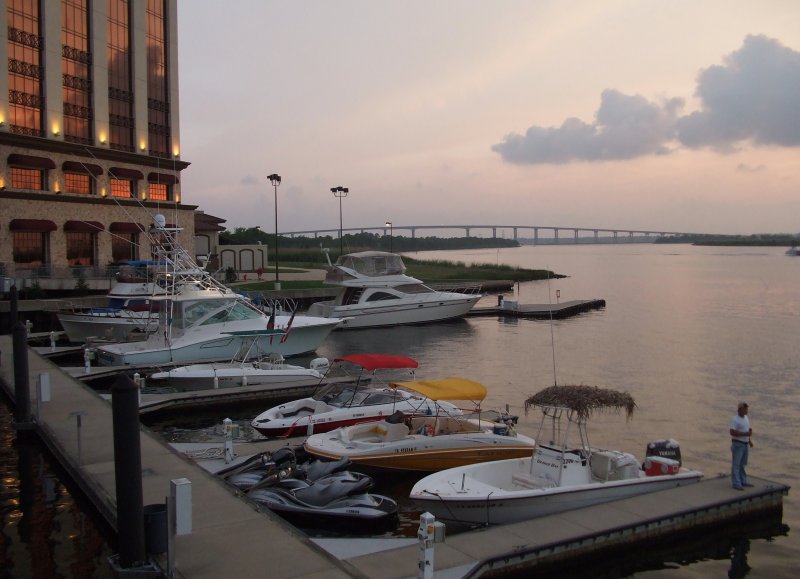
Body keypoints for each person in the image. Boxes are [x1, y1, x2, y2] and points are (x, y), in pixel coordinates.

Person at [729, 402, 754, 490]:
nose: (746, 410)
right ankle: (736, 482)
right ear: (739, 410)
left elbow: (747, 430)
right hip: (737, 444)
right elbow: (732, 432)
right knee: (736, 464)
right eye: (745, 408)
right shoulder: (735, 419)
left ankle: (743, 480)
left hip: (745, 444)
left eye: (746, 408)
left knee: (743, 464)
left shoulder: (746, 418)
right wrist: (745, 434)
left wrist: (749, 441)